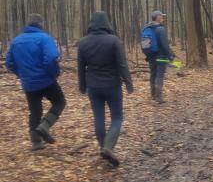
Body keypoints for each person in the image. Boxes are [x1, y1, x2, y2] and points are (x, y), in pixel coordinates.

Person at [78, 11, 133, 167]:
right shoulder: (113, 40)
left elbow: (81, 67)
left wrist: (82, 86)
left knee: (99, 118)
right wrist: (128, 82)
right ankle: (107, 148)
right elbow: (122, 64)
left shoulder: (83, 42)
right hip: (112, 85)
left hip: (93, 86)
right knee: (117, 117)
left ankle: (103, 148)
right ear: (106, 23)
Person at [5, 13, 66, 151]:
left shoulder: (16, 41)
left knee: (35, 111)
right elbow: (50, 58)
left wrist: (22, 74)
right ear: (40, 24)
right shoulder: (44, 38)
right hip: (45, 81)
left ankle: (36, 142)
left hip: (28, 84)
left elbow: (9, 63)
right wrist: (53, 74)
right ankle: (44, 126)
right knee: (60, 102)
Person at [141, 11, 174, 103]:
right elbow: (164, 45)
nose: (163, 19)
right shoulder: (160, 29)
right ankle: (158, 97)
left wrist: (148, 55)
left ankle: (153, 94)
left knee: (153, 74)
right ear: (158, 18)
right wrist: (170, 55)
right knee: (159, 75)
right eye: (162, 17)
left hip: (151, 56)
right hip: (161, 56)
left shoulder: (147, 28)